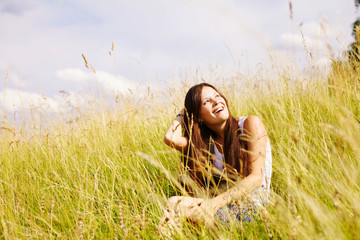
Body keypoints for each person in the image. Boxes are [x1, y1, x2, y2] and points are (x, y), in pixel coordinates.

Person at [161, 83, 272, 228]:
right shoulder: (206, 144)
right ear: (199, 116)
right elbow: (170, 138)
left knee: (179, 209)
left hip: (253, 208)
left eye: (217, 96)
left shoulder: (249, 124)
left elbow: (257, 178)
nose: (216, 101)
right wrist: (184, 112)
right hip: (226, 208)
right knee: (175, 204)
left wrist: (212, 205)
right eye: (207, 101)